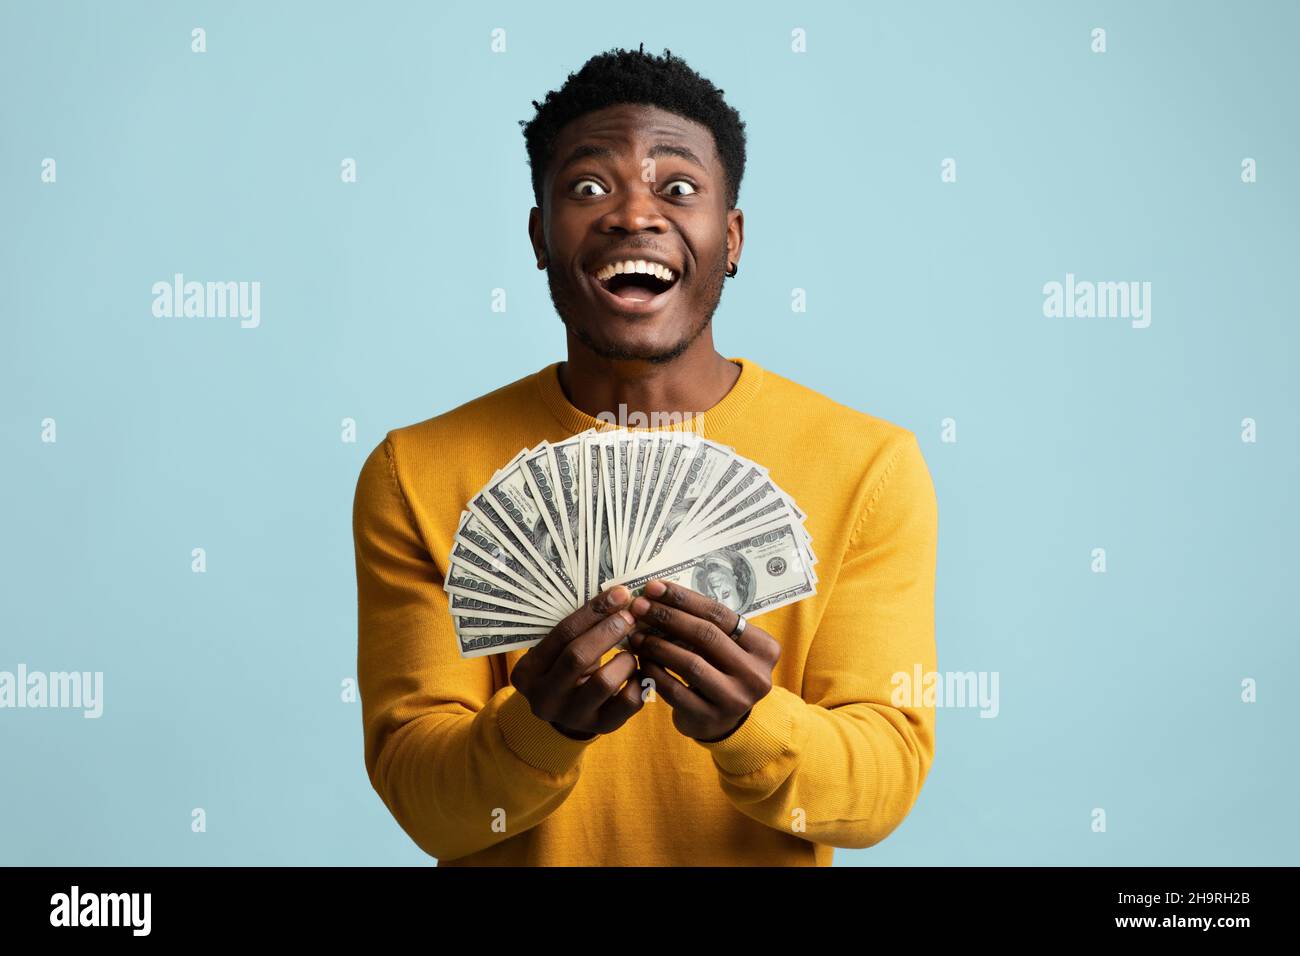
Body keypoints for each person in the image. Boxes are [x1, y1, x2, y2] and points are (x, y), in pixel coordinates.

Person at [352, 44, 939, 866]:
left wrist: (750, 724)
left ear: (729, 239)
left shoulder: (871, 466)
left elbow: (881, 790)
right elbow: (427, 804)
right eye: (588, 188)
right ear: (540, 237)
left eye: (678, 188)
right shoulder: (412, 473)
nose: (633, 215)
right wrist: (540, 727)